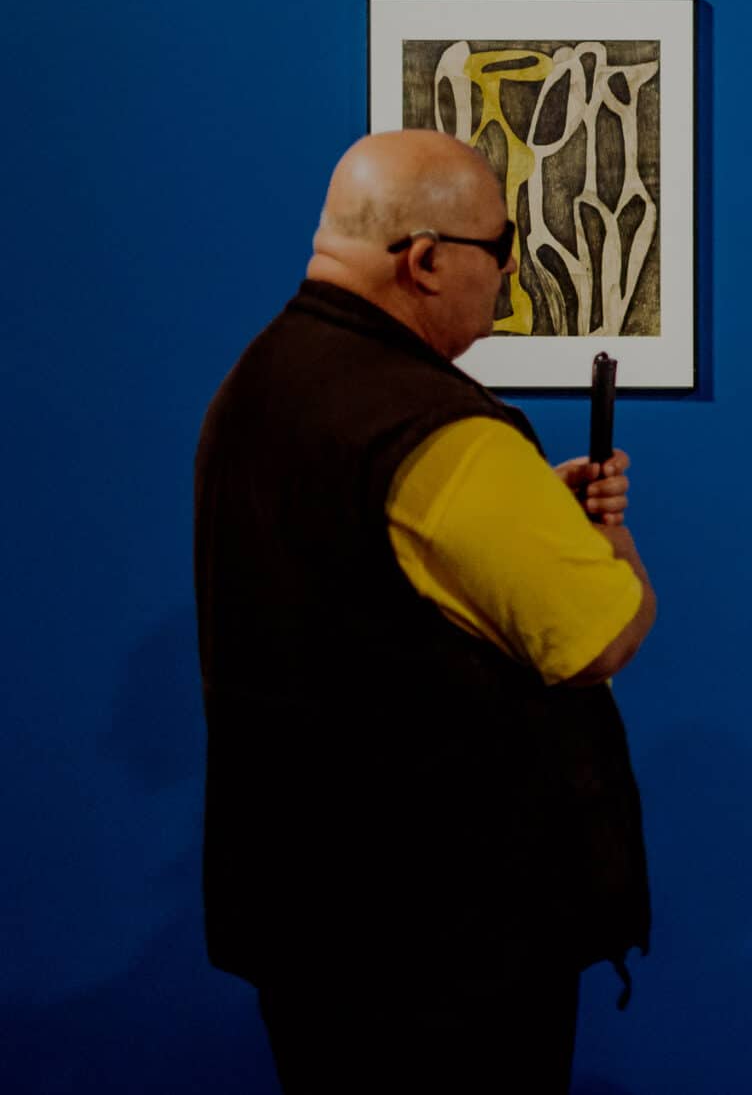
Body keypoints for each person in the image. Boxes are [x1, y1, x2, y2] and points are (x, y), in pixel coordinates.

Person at [194, 130, 656, 1095]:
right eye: (502, 250)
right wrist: (607, 532)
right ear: (427, 259)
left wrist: (526, 515)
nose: (509, 278)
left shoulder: (252, 385)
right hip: (447, 938)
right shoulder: (439, 428)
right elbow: (604, 633)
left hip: (302, 917)